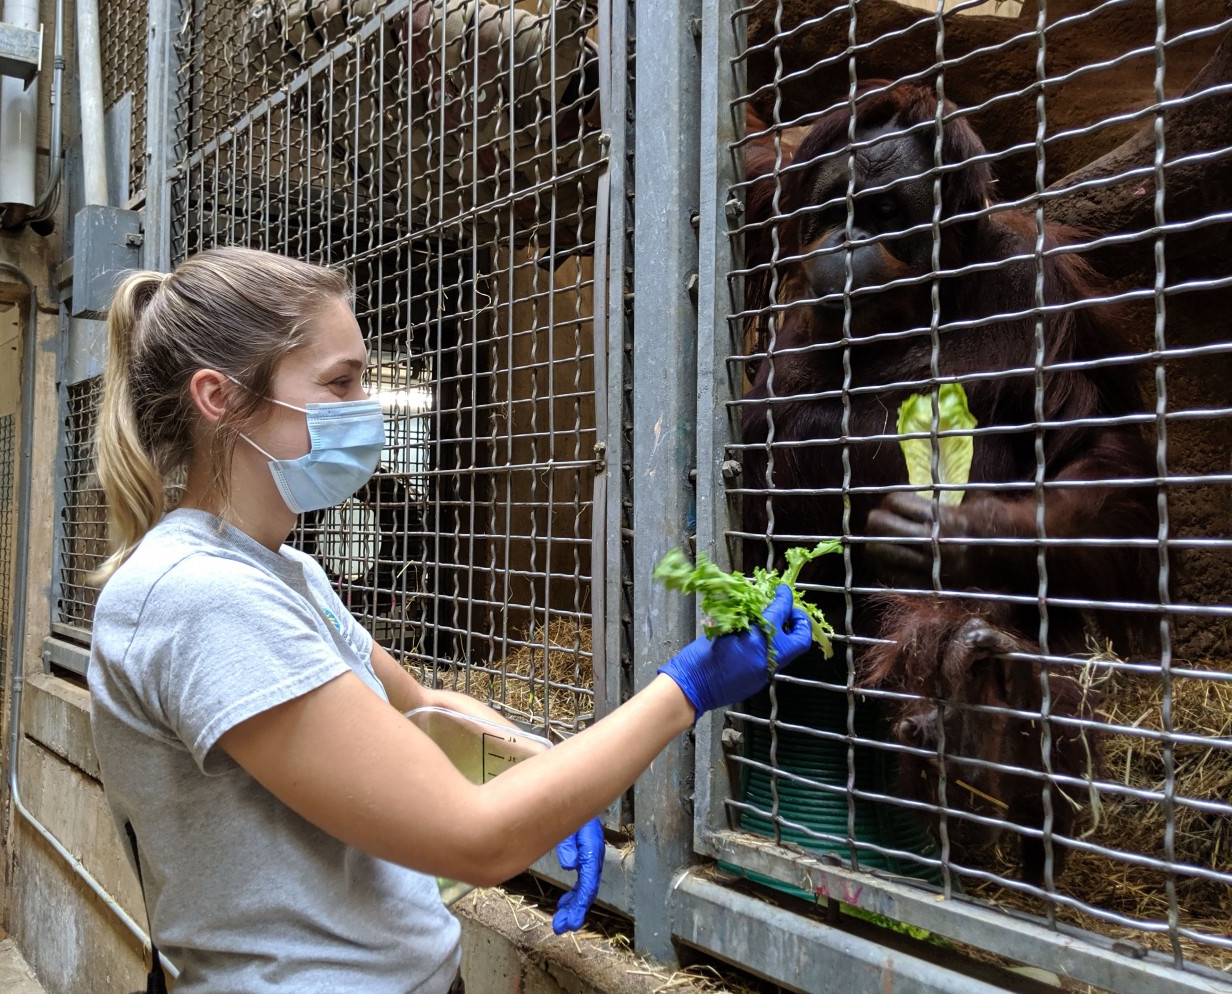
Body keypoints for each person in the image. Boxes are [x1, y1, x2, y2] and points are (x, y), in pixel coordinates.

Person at [87, 247, 813, 993]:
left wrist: (547, 768)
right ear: (219, 397)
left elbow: (425, 705)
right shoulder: (201, 595)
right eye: (341, 382)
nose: (367, 403)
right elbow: (476, 839)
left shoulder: (286, 571)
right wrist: (684, 690)